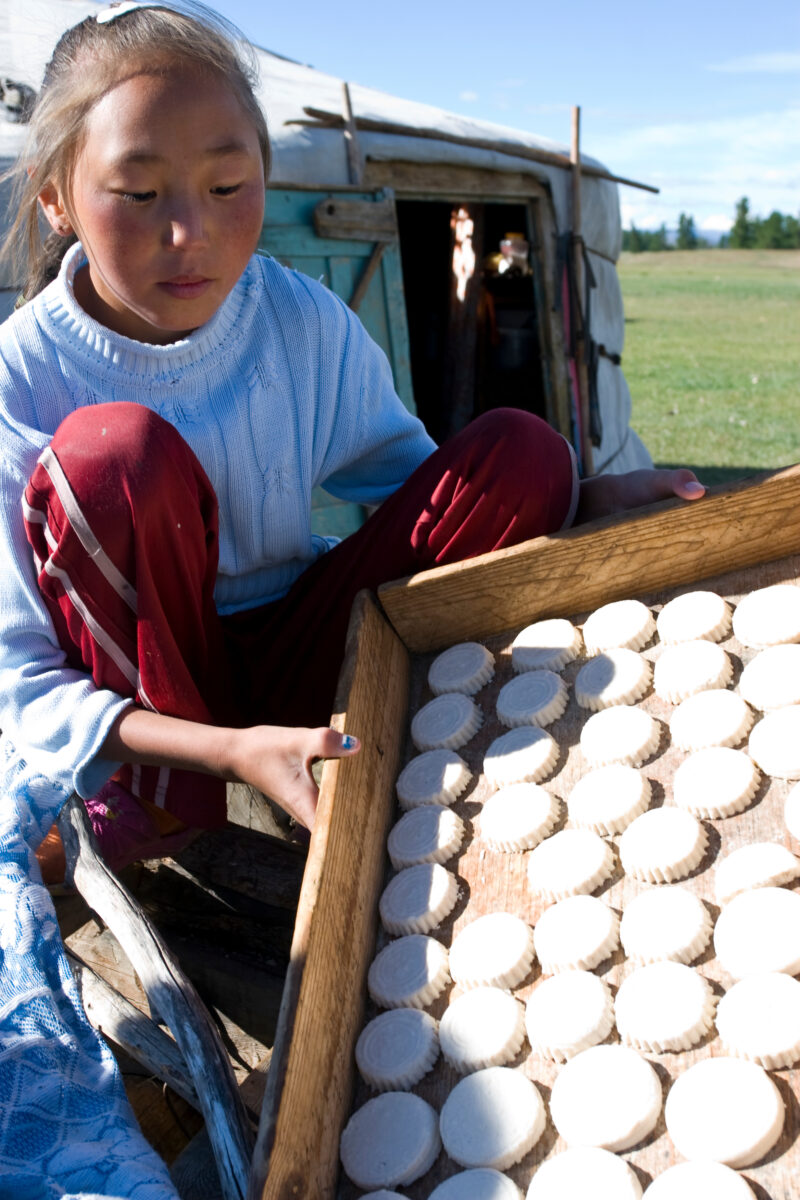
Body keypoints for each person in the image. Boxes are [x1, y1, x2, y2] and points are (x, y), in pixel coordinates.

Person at [0, 0, 705, 889]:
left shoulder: (292, 316)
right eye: (139, 195)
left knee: (524, 451)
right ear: (57, 197)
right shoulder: (21, 376)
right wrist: (223, 747)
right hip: (155, 698)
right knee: (114, 451)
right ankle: (161, 798)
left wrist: (573, 499)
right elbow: (25, 684)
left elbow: (416, 489)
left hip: (304, 647)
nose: (193, 233)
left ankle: (374, 724)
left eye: (228, 186)